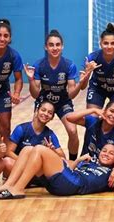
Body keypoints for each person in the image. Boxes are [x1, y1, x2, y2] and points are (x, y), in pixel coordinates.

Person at [0, 144, 114, 199]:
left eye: (111, 153)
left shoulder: (112, 176)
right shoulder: (90, 161)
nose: (106, 153)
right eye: (104, 150)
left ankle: (18, 189)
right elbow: (68, 166)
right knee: (28, 149)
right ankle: (9, 184)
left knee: (39, 149)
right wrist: (78, 160)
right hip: (66, 179)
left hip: (73, 185)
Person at [24, 30, 83, 160]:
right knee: (35, 131)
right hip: (44, 101)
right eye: (51, 45)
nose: (54, 48)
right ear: (46, 47)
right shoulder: (39, 65)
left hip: (63, 102)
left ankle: (71, 163)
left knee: (73, 131)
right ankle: (34, 161)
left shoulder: (69, 65)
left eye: (57, 45)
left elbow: (72, 94)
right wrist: (30, 79)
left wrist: (81, 83)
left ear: (62, 46)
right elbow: (35, 95)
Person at [3, 101, 65, 179]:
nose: (46, 114)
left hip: (38, 172)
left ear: (52, 117)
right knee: (7, 161)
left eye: (50, 113)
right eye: (43, 110)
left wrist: (53, 151)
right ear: (36, 111)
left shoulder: (50, 135)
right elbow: (9, 152)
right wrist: (25, 163)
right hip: (21, 168)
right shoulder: (21, 129)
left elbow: (63, 158)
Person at [81, 23, 114, 111]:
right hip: (97, 89)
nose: (109, 47)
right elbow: (82, 87)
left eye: (113, 43)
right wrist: (87, 73)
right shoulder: (92, 58)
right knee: (92, 118)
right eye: (106, 43)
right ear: (100, 43)